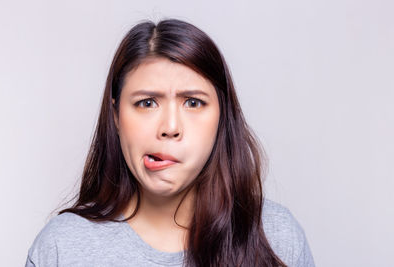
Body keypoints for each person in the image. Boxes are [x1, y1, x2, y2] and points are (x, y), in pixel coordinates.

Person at [25, 18, 315, 267]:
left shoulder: (276, 236)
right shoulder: (62, 247)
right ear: (115, 115)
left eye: (193, 102)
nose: (170, 128)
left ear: (222, 117)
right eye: (147, 103)